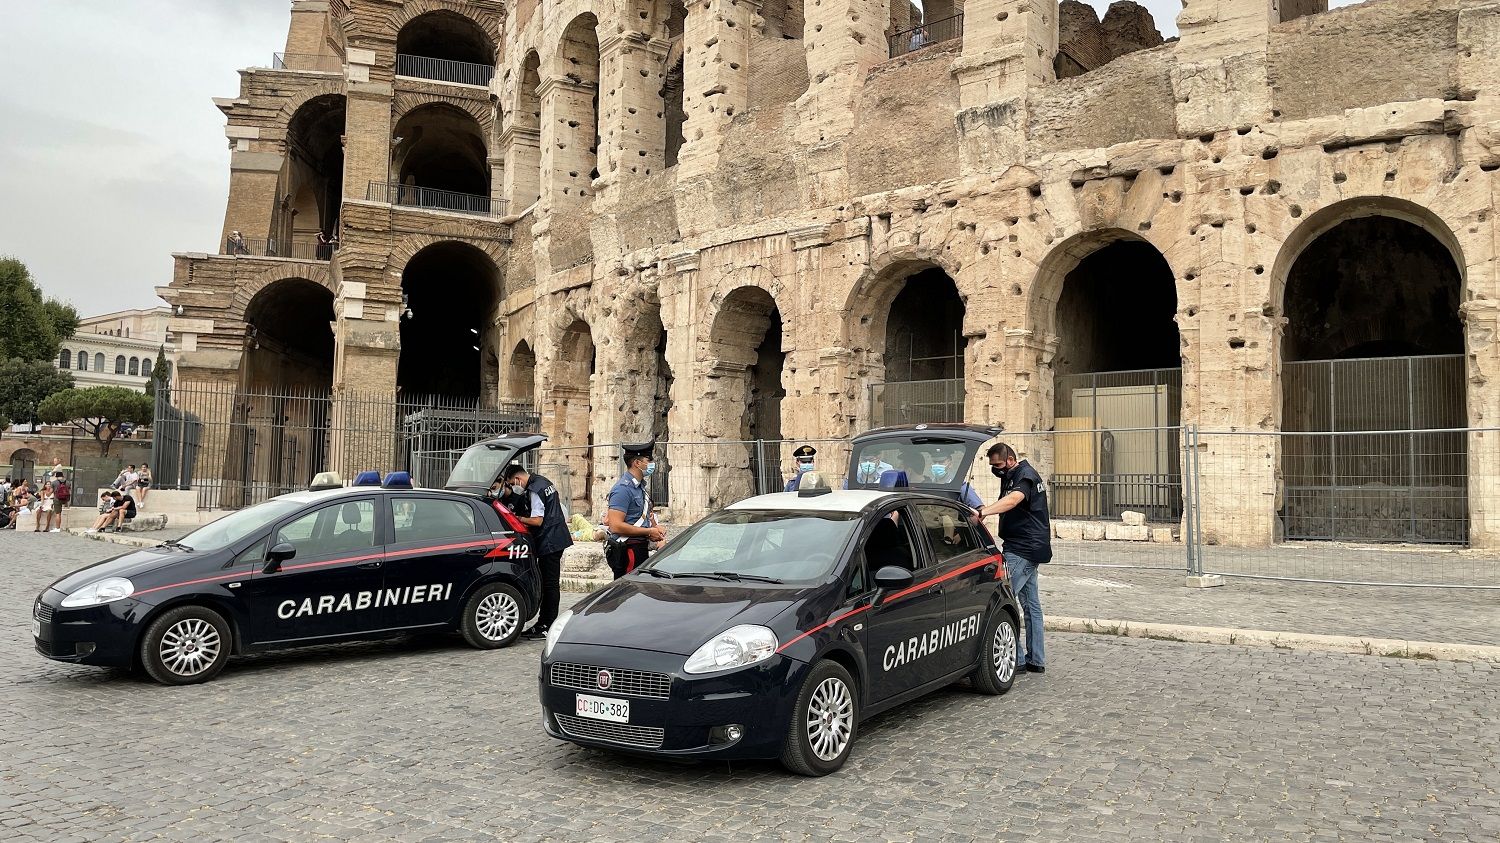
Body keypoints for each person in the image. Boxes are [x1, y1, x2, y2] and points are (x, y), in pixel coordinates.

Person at [973, 442, 1051, 674]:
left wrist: (983, 512)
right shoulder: (1011, 475)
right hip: (1027, 547)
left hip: (1022, 550)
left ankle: (1016, 659)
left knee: (1001, 601)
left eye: (997, 465)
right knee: (1031, 606)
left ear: (1009, 460)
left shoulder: (1025, 475)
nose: (995, 469)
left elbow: (1014, 500)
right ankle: (1036, 659)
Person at [509, 464, 574, 640]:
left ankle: (547, 624)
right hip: (555, 538)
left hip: (550, 541)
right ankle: (545, 622)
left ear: (517, 480)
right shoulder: (542, 481)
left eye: (513, 484)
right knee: (549, 583)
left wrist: (518, 518)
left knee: (549, 585)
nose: (515, 488)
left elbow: (537, 520)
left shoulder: (534, 489)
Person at [603, 440, 665, 578]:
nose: (652, 463)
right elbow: (615, 526)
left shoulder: (639, 487)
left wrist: (655, 529)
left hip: (639, 547)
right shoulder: (622, 489)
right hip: (628, 549)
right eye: (648, 459)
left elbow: (640, 517)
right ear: (637, 463)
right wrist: (649, 531)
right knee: (626, 593)